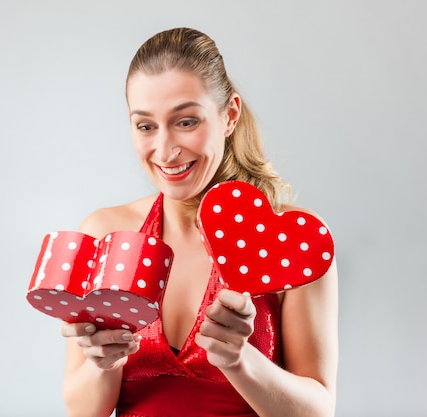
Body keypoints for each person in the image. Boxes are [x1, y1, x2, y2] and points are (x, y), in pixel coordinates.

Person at [60, 27, 338, 417]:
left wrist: (241, 360)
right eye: (145, 126)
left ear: (229, 115)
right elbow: (83, 410)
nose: (166, 150)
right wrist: (104, 362)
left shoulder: (291, 242)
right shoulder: (106, 234)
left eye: (186, 121)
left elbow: (319, 410)